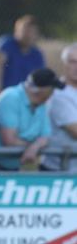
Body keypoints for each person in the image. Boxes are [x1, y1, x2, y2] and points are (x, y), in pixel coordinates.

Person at [0, 68, 60, 171]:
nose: (53, 93)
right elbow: (9, 141)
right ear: (41, 90)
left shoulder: (41, 104)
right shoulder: (11, 98)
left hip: (13, 167)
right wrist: (32, 145)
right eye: (52, 89)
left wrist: (34, 147)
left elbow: (45, 136)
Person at [0, 15, 45, 101]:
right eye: (25, 31)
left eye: (32, 32)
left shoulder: (37, 55)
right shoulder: (6, 44)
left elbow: (40, 80)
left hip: (19, 100)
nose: (28, 35)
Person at [41, 44, 77, 172]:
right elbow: (75, 131)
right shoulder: (58, 94)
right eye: (72, 62)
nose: (76, 67)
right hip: (59, 172)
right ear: (64, 64)